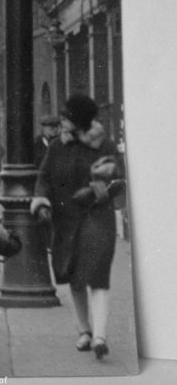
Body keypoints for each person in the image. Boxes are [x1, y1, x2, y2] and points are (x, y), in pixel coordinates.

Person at [31, 93, 123, 360]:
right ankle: (84, 330)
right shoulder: (58, 146)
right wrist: (42, 202)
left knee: (97, 273)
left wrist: (95, 192)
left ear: (79, 120)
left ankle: (100, 336)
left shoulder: (104, 145)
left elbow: (118, 180)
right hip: (66, 218)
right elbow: (44, 177)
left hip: (97, 216)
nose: (62, 119)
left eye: (67, 115)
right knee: (72, 273)